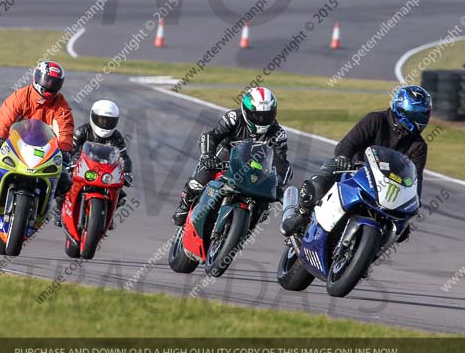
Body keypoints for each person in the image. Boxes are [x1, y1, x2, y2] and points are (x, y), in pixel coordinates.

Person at [281, 85, 432, 239]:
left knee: (399, 230)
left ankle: (367, 253)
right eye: (417, 116)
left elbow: (416, 178)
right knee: (322, 180)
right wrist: (343, 158)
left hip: (386, 189)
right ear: (402, 110)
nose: (421, 121)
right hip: (354, 172)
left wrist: (414, 202)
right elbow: (348, 143)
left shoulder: (418, 146)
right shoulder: (376, 120)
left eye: (424, 116)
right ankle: (301, 215)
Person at [171, 87, 292, 226]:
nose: (262, 120)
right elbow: (211, 136)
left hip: (256, 167)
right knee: (200, 181)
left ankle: (244, 228)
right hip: (227, 156)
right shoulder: (233, 118)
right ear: (246, 111)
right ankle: (184, 205)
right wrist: (207, 156)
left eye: (267, 115)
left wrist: (278, 182)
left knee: (264, 206)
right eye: (257, 115)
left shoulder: (278, 133)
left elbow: (281, 162)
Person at [0, 61, 75, 213]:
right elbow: (5, 117)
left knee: (65, 178)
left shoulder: (62, 106)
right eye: (47, 80)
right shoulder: (20, 96)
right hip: (15, 146)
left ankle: (53, 207)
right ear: (37, 78)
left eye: (54, 83)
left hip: (44, 152)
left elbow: (65, 129)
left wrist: (64, 149)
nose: (49, 85)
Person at [60, 99, 134, 227]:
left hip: (105, 172)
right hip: (82, 168)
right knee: (62, 184)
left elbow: (124, 157)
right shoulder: (82, 131)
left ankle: (107, 217)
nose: (104, 124)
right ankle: (58, 211)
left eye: (108, 121)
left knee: (121, 196)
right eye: (101, 120)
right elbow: (71, 149)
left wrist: (127, 171)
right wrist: (69, 162)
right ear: (93, 117)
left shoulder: (116, 137)